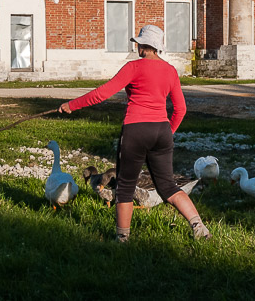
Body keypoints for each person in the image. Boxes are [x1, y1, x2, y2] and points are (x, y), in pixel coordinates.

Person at [59, 24, 211, 242]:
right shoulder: (170, 70)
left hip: (135, 130)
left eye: (138, 43)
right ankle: (199, 227)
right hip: (161, 131)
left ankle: (122, 239)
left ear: (143, 46)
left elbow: (103, 93)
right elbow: (181, 109)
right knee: (168, 186)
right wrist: (167, 132)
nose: (137, 47)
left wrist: (72, 105)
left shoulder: (133, 67)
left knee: (125, 187)